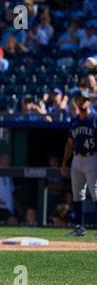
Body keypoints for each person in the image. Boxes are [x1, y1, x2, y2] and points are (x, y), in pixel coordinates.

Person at [61, 89, 97, 236]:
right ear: (75, 101)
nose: (82, 101)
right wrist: (64, 162)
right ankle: (79, 227)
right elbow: (70, 143)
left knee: (95, 192)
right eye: (79, 99)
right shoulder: (74, 121)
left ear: (90, 101)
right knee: (77, 194)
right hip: (76, 158)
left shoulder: (95, 119)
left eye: (85, 99)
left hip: (92, 157)